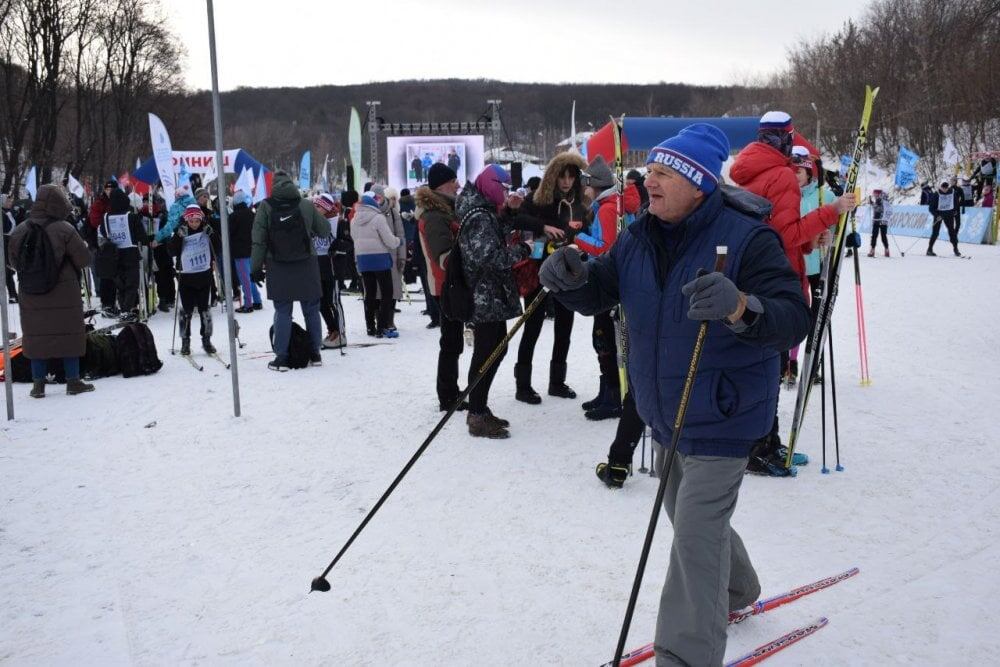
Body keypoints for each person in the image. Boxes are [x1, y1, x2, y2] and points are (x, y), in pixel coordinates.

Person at [539, 124, 811, 666]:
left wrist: (740, 307)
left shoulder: (748, 238)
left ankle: (684, 657)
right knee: (692, 524)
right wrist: (571, 278)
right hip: (666, 411)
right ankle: (736, 590)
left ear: (698, 183)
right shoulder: (640, 236)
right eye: (651, 171)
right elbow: (602, 289)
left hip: (724, 414)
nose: (649, 182)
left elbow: (792, 318)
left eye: (664, 173)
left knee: (693, 540)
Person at [730, 110, 857, 475]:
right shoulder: (781, 175)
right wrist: (831, 212)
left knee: (763, 362)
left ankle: (764, 441)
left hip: (754, 275)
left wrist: (807, 242)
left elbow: (772, 231)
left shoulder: (748, 172)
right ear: (783, 139)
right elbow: (784, 235)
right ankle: (760, 447)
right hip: (775, 280)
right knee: (769, 365)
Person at [456, 164, 531, 438]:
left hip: (492, 295)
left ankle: (480, 407)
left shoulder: (483, 212)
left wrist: (510, 212)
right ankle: (476, 413)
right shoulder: (478, 216)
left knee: (496, 350)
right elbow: (488, 258)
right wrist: (522, 250)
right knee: (487, 352)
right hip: (485, 295)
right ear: (490, 184)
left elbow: (494, 233)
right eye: (504, 186)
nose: (506, 191)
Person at [512, 151, 586, 405]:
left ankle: (557, 382)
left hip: (567, 270)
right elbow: (517, 217)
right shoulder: (539, 198)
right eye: (562, 177)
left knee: (564, 326)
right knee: (532, 326)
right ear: (553, 177)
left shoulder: (579, 202)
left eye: (570, 177)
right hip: (539, 271)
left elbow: (585, 229)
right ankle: (523, 385)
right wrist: (543, 227)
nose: (566, 182)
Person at [8, 184, 95, 397]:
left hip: (30, 292)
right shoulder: (65, 229)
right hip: (64, 291)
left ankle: (38, 385)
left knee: (36, 336)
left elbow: (12, 262)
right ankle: (73, 381)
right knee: (70, 334)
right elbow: (84, 260)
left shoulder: (20, 230)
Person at [251, 170, 331, 370]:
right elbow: (324, 230)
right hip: (306, 263)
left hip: (277, 265)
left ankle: (282, 357)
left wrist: (255, 268)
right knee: (311, 309)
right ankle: (315, 353)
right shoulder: (305, 204)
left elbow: (259, 240)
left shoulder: (265, 206)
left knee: (283, 311)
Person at [417, 163, 467, 410]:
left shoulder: (445, 210)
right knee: (450, 342)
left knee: (453, 340)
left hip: (449, 284)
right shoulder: (435, 215)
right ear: (440, 186)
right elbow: (444, 257)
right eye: (453, 181)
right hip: (445, 286)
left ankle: (450, 392)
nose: (458, 185)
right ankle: (448, 395)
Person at [169, 205, 222, 356]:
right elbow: (171, 250)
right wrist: (178, 237)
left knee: (205, 310)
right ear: (187, 220)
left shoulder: (206, 229)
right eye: (191, 221)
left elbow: (218, 247)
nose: (194, 223)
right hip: (186, 277)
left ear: (201, 219)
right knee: (185, 312)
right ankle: (185, 341)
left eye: (197, 220)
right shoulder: (181, 231)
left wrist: (212, 235)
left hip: (204, 276)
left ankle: (207, 340)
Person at [351, 186, 401, 338]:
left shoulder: (354, 219)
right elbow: (389, 241)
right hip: (380, 259)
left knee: (369, 294)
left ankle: (370, 327)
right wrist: (398, 241)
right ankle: (382, 327)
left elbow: (354, 239)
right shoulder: (378, 218)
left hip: (363, 260)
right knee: (387, 293)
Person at [98, 187, 149, 322]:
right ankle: (127, 310)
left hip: (113, 255)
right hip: (130, 254)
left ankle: (124, 308)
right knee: (132, 284)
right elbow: (142, 236)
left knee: (120, 285)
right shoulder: (131, 216)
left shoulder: (106, 217)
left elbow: (103, 233)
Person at [312, 193, 345, 348]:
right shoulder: (313, 221)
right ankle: (332, 329)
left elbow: (346, 243)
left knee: (331, 300)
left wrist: (337, 246)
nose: (315, 208)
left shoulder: (336, 221)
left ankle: (339, 332)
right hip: (317, 263)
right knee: (320, 301)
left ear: (326, 207)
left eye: (318, 206)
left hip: (331, 263)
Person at [89, 179, 118, 316]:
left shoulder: (120, 201)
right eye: (107, 189)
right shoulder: (99, 203)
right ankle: (107, 303)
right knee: (106, 274)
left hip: (120, 241)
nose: (109, 191)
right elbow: (94, 221)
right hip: (104, 243)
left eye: (112, 189)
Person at [229, 190, 261, 314]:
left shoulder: (234, 216)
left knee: (244, 279)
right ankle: (257, 300)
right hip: (252, 249)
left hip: (240, 252)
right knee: (251, 276)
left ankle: (248, 304)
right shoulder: (251, 214)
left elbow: (229, 233)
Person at [382, 186, 407, 331]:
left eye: (394, 198)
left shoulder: (395, 214)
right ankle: (381, 319)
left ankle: (390, 320)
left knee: (393, 291)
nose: (392, 201)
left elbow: (400, 236)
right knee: (381, 292)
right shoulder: (378, 214)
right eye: (390, 198)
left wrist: (402, 257)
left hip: (394, 257)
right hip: (382, 256)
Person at [927, 180, 962, 257]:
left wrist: (955, 211)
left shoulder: (952, 193)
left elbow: (956, 204)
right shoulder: (936, 194)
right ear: (940, 187)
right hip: (939, 215)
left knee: (952, 232)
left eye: (946, 187)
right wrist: (936, 215)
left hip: (949, 215)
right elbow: (931, 208)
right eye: (943, 187)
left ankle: (956, 249)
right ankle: (929, 249)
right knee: (935, 233)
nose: (945, 189)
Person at [2, 193, 25, 303]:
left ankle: (13, 294)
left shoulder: (8, 213)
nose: (10, 203)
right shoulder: (3, 214)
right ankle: (12, 295)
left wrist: (19, 213)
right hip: (4, 243)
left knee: (9, 271)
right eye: (7, 201)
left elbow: (16, 226)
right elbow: (6, 229)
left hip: (11, 242)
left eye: (10, 201)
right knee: (7, 270)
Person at [867, 189, 891, 257]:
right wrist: (873, 204)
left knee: (876, 235)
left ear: (878, 194)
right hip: (882, 220)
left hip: (879, 220)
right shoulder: (884, 200)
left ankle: (874, 250)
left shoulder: (880, 200)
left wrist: (872, 204)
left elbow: (878, 209)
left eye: (875, 194)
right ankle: (885, 250)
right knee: (881, 236)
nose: (874, 195)